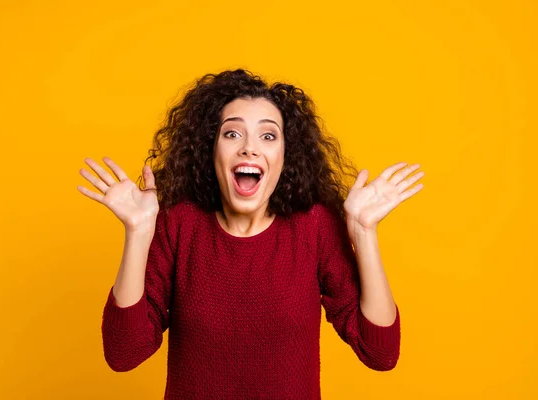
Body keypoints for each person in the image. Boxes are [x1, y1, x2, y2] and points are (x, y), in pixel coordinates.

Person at [77, 69, 424, 399]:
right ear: (210, 150)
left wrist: (364, 232)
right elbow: (124, 353)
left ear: (286, 156)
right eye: (232, 133)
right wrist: (138, 233)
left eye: (268, 135)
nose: (249, 148)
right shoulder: (179, 225)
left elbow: (380, 352)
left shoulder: (315, 226)